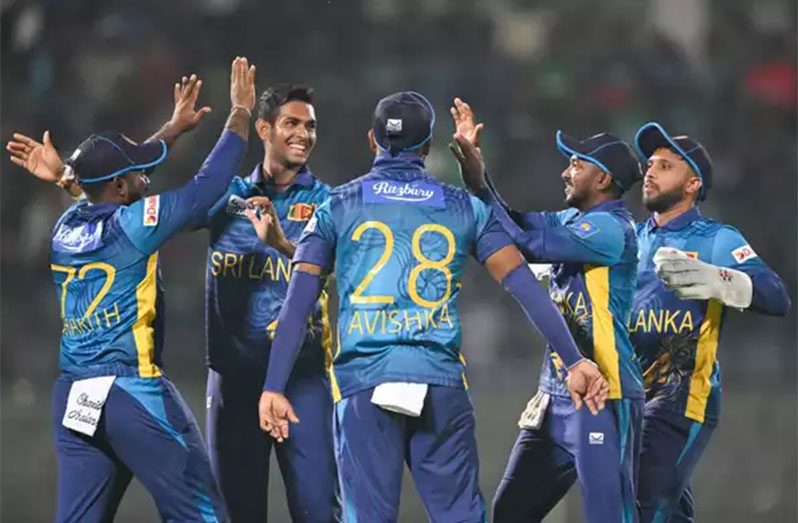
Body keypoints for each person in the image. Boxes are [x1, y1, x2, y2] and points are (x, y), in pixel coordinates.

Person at [256, 91, 608, 523]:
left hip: (365, 383)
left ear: (373, 140)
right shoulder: (464, 207)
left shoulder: (336, 206)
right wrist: (574, 360)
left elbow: (298, 303)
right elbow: (522, 285)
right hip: (439, 382)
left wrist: (274, 385)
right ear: (426, 147)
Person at [11, 80, 341, 522]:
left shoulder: (66, 225)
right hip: (135, 388)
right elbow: (207, 185)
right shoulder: (138, 223)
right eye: (138, 175)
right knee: (206, 514)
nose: (147, 179)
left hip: (74, 393)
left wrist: (72, 177)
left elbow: (105, 186)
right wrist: (239, 112)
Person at [451, 99, 645, 523]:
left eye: (576, 164)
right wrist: (479, 180)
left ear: (603, 178)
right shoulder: (573, 219)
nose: (565, 172)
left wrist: (481, 186)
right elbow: (515, 222)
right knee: (510, 512)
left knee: (608, 516)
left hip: (603, 393)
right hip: (555, 395)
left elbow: (526, 244)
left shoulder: (612, 230)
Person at [629, 122, 791, 522]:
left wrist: (720, 280)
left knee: (641, 504)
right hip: (632, 396)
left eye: (665, 166)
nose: (650, 171)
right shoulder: (630, 237)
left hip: (683, 395)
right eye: (650, 164)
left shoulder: (717, 238)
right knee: (665, 510)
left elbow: (777, 296)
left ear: (693, 184)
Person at [201, 84, 339, 522]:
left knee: (318, 512)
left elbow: (341, 272)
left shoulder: (327, 201)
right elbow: (162, 215)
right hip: (233, 381)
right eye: (292, 123)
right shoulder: (224, 198)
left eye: (310, 126)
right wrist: (76, 184)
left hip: (303, 378)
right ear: (263, 129)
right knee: (237, 514)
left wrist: (282, 244)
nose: (304, 134)